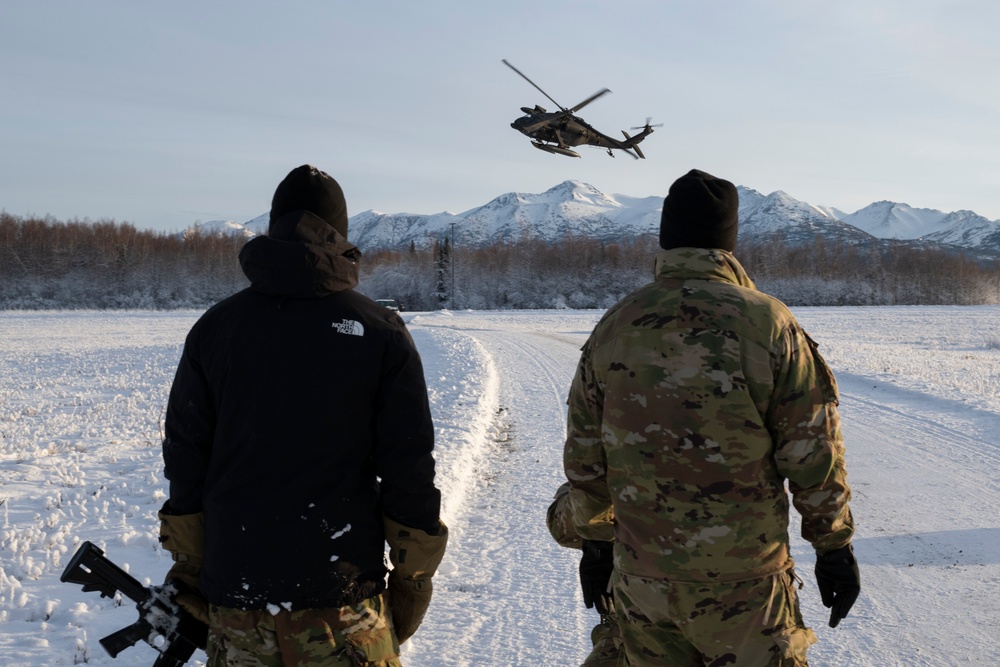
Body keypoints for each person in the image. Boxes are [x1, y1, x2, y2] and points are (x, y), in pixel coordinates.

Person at [560, 169, 859, 666]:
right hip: (746, 588)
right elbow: (813, 450)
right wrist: (833, 544)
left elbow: (585, 453)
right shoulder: (769, 323)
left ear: (666, 238)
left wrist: (595, 542)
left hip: (642, 580)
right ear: (729, 241)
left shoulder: (615, 324)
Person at [157, 164, 448, 666]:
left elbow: (186, 455)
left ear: (272, 228)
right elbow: (408, 465)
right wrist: (413, 575)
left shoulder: (215, 329)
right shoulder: (379, 330)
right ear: (342, 235)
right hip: (342, 596)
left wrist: (190, 565)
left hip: (236, 592)